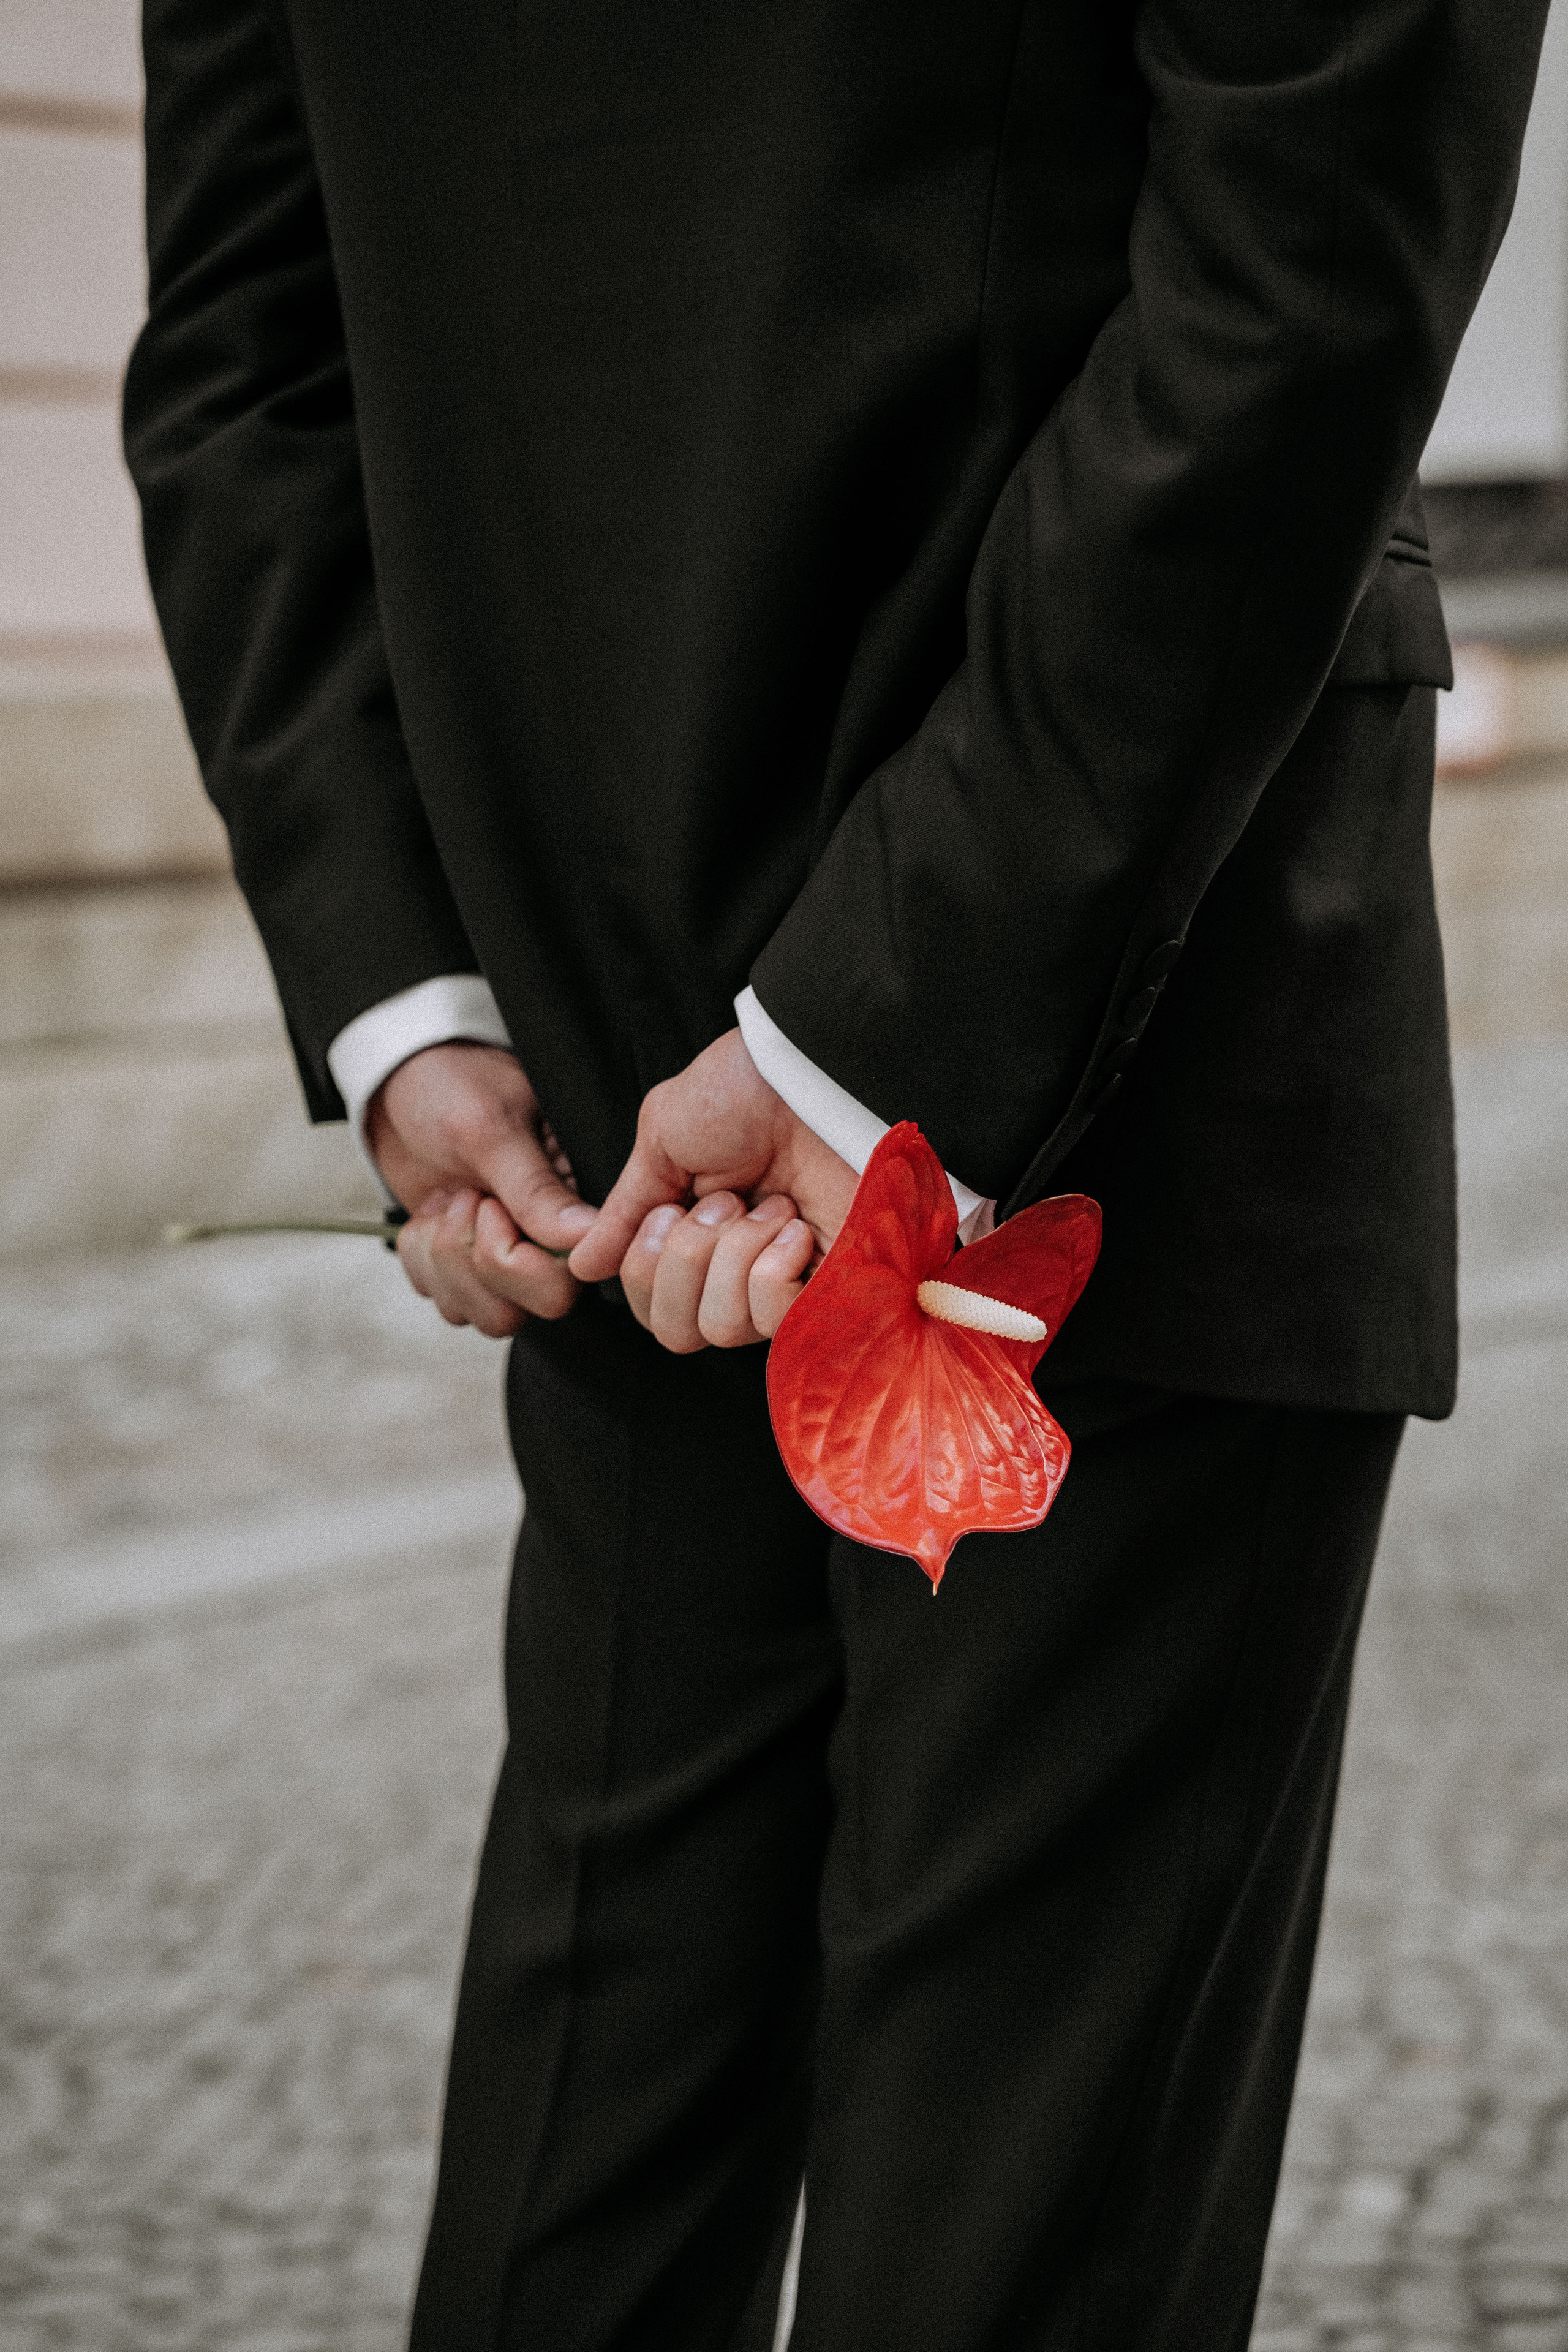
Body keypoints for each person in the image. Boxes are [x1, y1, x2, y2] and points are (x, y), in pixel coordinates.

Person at [124, 2, 1548, 2344]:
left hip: (617, 1054)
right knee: (1002, 2239)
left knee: (592, 2193)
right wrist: (859, 1005)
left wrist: (417, 995)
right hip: (1119, 997)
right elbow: (1321, 203)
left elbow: (240, 349)